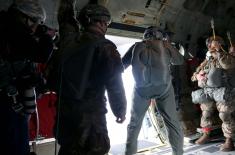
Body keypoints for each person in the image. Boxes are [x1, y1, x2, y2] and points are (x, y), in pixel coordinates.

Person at [53, 4, 127, 155]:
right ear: (100, 22)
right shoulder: (105, 47)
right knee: (95, 150)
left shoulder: (68, 42)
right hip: (90, 117)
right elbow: (115, 83)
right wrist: (120, 110)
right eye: (106, 23)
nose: (106, 27)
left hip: (65, 113)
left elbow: (65, 22)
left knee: (68, 150)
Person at [0, 0, 54, 155]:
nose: (34, 28)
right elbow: (41, 54)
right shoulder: (13, 30)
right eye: (35, 23)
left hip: (9, 98)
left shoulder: (5, 28)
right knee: (15, 146)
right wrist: (47, 36)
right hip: (7, 103)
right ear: (25, 18)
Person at [122, 26, 184, 155]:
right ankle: (177, 153)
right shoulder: (166, 46)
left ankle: (129, 153)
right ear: (161, 36)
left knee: (134, 124)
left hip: (141, 90)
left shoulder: (135, 47)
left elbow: (121, 66)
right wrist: (169, 46)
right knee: (172, 123)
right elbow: (179, 61)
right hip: (164, 88)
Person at [191, 36, 235, 151]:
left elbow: (227, 65)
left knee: (224, 115)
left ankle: (229, 140)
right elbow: (193, 76)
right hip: (208, 91)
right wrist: (198, 75)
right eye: (210, 45)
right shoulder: (207, 61)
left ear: (220, 45)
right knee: (206, 113)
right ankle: (206, 134)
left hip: (223, 91)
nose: (211, 47)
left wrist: (219, 52)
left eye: (215, 44)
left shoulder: (227, 57)